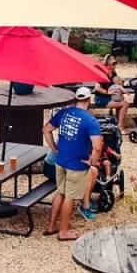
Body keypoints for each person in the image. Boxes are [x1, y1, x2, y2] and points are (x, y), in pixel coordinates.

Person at [42, 87, 102, 240]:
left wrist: (54, 148)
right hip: (77, 165)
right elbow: (97, 146)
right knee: (70, 196)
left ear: (76, 98)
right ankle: (63, 231)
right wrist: (92, 162)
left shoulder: (64, 113)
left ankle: (51, 227)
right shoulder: (91, 121)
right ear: (89, 100)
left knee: (60, 192)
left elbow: (46, 129)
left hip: (60, 160)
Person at [93, 55, 130, 131]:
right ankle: (120, 126)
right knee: (125, 104)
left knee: (121, 101)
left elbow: (115, 85)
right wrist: (108, 92)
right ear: (108, 63)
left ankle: (117, 124)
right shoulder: (103, 74)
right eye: (113, 63)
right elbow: (97, 88)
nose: (115, 65)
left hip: (109, 98)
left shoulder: (113, 74)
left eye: (115, 63)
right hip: (101, 99)